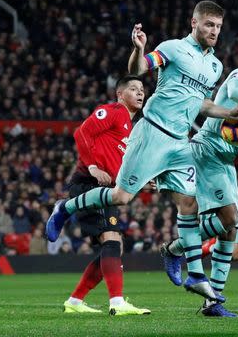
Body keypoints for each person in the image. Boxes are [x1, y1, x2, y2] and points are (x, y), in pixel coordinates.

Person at [46, 0, 238, 302]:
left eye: (218, 26)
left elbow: (200, 104)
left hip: (181, 141)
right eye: (209, 24)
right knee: (121, 197)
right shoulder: (174, 48)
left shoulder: (215, 65)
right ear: (194, 23)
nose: (214, 31)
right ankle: (66, 207)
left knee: (189, 205)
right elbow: (139, 69)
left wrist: (227, 113)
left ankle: (194, 273)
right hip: (153, 133)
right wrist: (139, 48)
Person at [160, 45, 238, 317]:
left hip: (226, 161)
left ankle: (212, 302)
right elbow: (235, 93)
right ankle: (174, 249)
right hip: (207, 150)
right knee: (229, 219)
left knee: (231, 229)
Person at [60, 75, 151, 316]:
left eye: (142, 89)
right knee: (111, 241)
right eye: (133, 89)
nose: (140, 93)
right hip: (88, 183)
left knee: (111, 246)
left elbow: (117, 167)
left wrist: (142, 181)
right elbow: (81, 133)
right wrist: (92, 166)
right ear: (120, 94)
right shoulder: (113, 111)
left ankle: (76, 301)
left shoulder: (130, 128)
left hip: (106, 189)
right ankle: (117, 302)